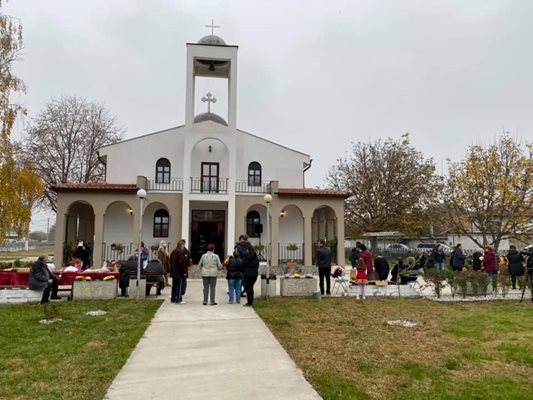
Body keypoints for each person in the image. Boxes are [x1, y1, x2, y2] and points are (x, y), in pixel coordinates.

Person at [169, 239, 191, 304]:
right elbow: (181, 263)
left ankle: (173, 298)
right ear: (181, 245)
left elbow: (170, 261)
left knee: (174, 285)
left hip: (174, 272)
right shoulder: (180, 252)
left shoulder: (173, 252)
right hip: (179, 272)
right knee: (179, 285)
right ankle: (178, 299)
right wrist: (184, 271)